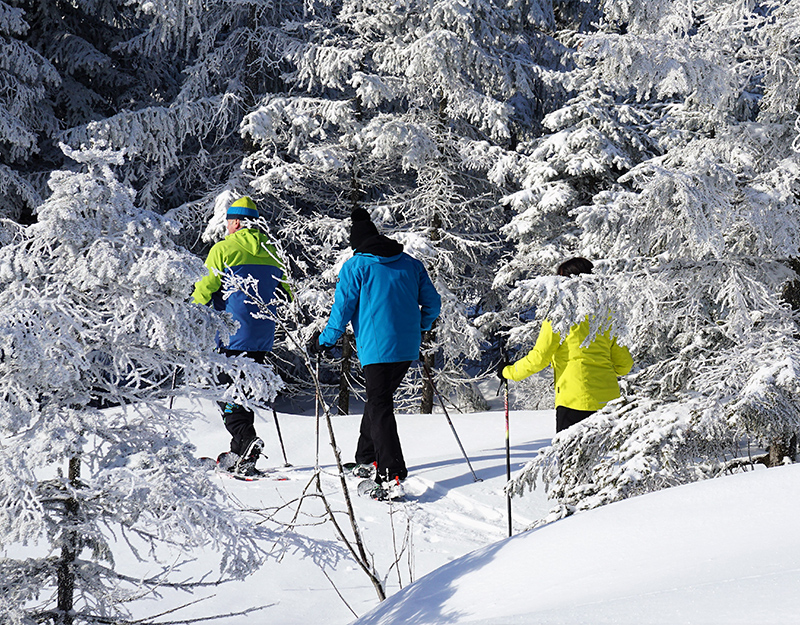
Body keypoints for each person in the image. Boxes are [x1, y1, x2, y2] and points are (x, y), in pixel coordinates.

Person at [311, 208, 441, 495]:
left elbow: (342, 309)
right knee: (378, 399)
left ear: (357, 244)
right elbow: (433, 303)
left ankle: (391, 471)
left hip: (377, 348)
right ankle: (366, 457)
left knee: (380, 404)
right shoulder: (410, 264)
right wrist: (420, 326)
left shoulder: (356, 266)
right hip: (407, 346)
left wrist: (326, 339)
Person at [192, 196, 291, 474]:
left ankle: (246, 440)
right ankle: (241, 452)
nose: (226, 226)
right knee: (243, 390)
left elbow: (205, 288)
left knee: (224, 389)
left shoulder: (223, 250)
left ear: (235, 222)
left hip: (231, 334)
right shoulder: (272, 251)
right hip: (262, 335)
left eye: (227, 221)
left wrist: (189, 314)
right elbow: (287, 294)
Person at [499, 257, 633, 433]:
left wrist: (508, 372)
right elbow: (625, 365)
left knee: (571, 459)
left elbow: (539, 358)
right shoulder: (606, 313)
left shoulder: (560, 316)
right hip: (609, 402)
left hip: (574, 401)